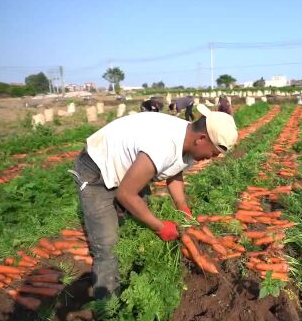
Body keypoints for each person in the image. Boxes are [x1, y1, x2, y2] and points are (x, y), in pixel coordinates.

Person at [70, 104, 238, 299]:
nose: (214, 157)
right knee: (108, 246)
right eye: (214, 152)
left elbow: (174, 174)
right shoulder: (164, 145)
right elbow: (125, 194)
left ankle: (132, 275)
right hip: (97, 170)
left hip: (130, 168)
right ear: (201, 139)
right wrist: (160, 227)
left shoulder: (189, 139)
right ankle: (108, 307)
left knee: (138, 222)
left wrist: (183, 208)